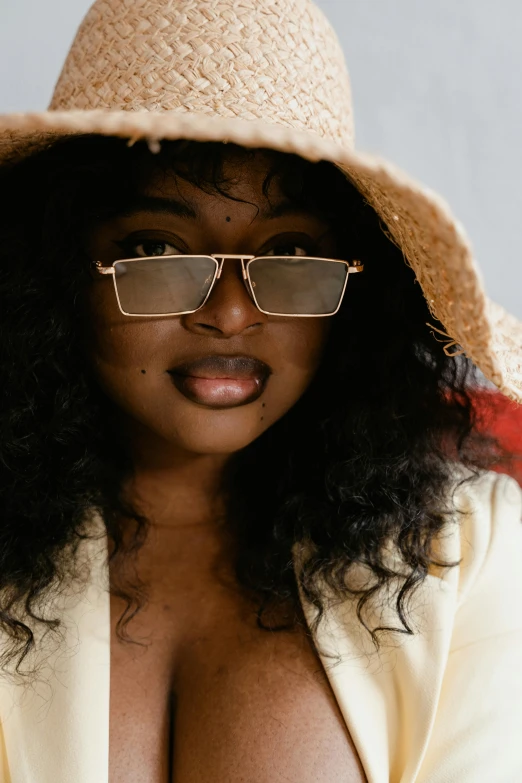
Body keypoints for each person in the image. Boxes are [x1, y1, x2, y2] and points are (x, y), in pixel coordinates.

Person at [0, 0, 521, 781]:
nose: (232, 312)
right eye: (156, 246)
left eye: (289, 249)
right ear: (56, 273)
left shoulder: (470, 550)